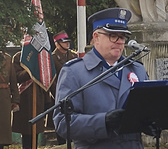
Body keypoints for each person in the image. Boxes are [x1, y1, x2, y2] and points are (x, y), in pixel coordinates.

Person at [53, 8, 149, 149]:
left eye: (122, 37)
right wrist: (103, 122)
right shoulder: (74, 72)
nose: (119, 41)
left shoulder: (137, 69)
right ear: (96, 37)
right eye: (112, 36)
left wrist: (153, 123)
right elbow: (62, 123)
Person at [12, 51, 49, 149]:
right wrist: (30, 69)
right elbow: (17, 77)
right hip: (24, 100)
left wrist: (47, 100)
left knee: (36, 130)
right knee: (26, 132)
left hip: (39, 98)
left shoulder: (40, 57)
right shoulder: (19, 57)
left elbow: (45, 79)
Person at [50, 31, 77, 144]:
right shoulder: (52, 58)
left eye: (68, 42)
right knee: (61, 126)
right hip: (59, 97)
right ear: (57, 44)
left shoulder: (74, 56)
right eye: (64, 42)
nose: (67, 44)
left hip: (75, 96)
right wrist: (59, 95)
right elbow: (52, 80)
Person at [0, 51, 20, 149]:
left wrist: (15, 100)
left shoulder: (7, 58)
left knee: (3, 130)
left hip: (4, 98)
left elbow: (13, 81)